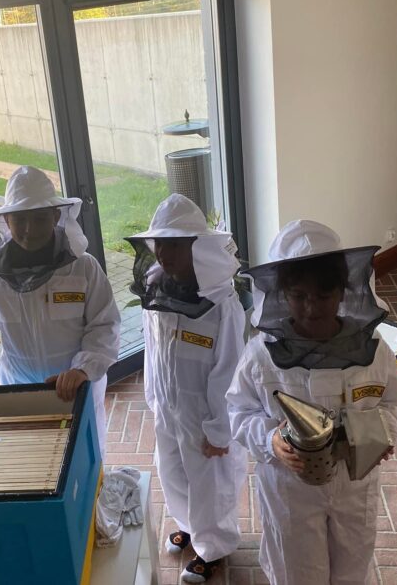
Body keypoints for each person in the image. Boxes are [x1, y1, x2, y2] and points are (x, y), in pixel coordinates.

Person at [226, 220, 397, 585]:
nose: (311, 308)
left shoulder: (373, 351)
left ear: (343, 291)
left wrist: (381, 433)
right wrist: (270, 440)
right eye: (299, 296)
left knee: (352, 567)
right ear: (282, 294)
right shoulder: (261, 355)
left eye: (323, 295)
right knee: (295, 572)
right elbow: (238, 410)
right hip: (289, 488)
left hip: (356, 485)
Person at [127, 194, 247, 583]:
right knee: (172, 470)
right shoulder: (155, 289)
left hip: (205, 413)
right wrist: (153, 398)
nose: (164, 254)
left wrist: (219, 429)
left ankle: (214, 547)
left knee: (210, 483)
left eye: (175, 245)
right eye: (159, 244)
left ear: (197, 246)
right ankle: (189, 527)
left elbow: (229, 369)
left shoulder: (221, 302)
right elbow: (152, 350)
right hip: (167, 404)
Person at [0, 166, 120, 454]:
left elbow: (104, 324)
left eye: (39, 218)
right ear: (6, 220)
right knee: (32, 460)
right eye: (20, 219)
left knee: (84, 461)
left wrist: (83, 368)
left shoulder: (83, 267)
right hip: (20, 391)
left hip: (76, 389)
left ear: (56, 216)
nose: (29, 230)